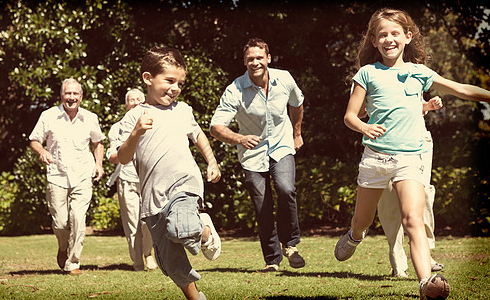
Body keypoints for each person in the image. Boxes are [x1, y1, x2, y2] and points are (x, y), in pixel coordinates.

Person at [335, 8, 490, 299]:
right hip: (376, 159)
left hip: (410, 157)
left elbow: (461, 90)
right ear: (373, 41)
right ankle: (356, 235)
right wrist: (364, 128)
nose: (388, 39)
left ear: (407, 37)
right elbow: (350, 116)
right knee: (363, 220)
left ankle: (425, 282)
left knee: (413, 219)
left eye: (395, 33)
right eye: (382, 35)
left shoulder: (419, 73)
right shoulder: (367, 73)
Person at [117, 47, 222, 300]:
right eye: (169, 81)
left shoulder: (183, 110)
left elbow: (198, 135)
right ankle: (196, 298)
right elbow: (123, 157)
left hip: (184, 186)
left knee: (182, 227)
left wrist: (212, 162)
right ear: (147, 79)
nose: (175, 88)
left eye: (180, 83)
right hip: (154, 198)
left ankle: (204, 229)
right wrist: (136, 133)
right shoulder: (133, 117)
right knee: (171, 263)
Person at [210, 38, 305, 272]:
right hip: (252, 154)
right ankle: (272, 260)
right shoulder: (236, 89)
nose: (255, 62)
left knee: (286, 188)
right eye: (250, 59)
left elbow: (297, 103)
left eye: (259, 58)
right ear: (244, 61)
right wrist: (240, 139)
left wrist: (297, 133)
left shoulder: (284, 79)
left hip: (282, 145)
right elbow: (216, 127)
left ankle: (290, 245)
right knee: (262, 205)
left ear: (268, 58)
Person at [29, 78, 105, 275]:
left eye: (75, 94)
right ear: (61, 95)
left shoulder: (90, 117)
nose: (71, 97)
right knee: (61, 222)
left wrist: (98, 164)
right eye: (68, 93)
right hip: (57, 175)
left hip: (82, 174)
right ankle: (62, 247)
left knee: (79, 218)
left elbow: (98, 142)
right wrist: (42, 151)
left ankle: (73, 263)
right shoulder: (49, 115)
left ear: (81, 97)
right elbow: (34, 140)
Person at [377, 96, 444, 278]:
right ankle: (398, 263)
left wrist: (428, 105)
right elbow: (361, 111)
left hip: (418, 142)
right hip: (385, 143)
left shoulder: (413, 74)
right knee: (389, 201)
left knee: (423, 196)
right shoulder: (369, 75)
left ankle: (426, 254)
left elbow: (416, 106)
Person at [106, 88, 157, 271]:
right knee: (132, 222)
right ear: (126, 104)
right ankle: (137, 261)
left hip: (148, 178)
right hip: (127, 178)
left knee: (147, 221)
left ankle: (148, 254)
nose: (135, 102)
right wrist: (119, 155)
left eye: (138, 99)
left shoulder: (153, 122)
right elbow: (112, 154)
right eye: (131, 100)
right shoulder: (117, 127)